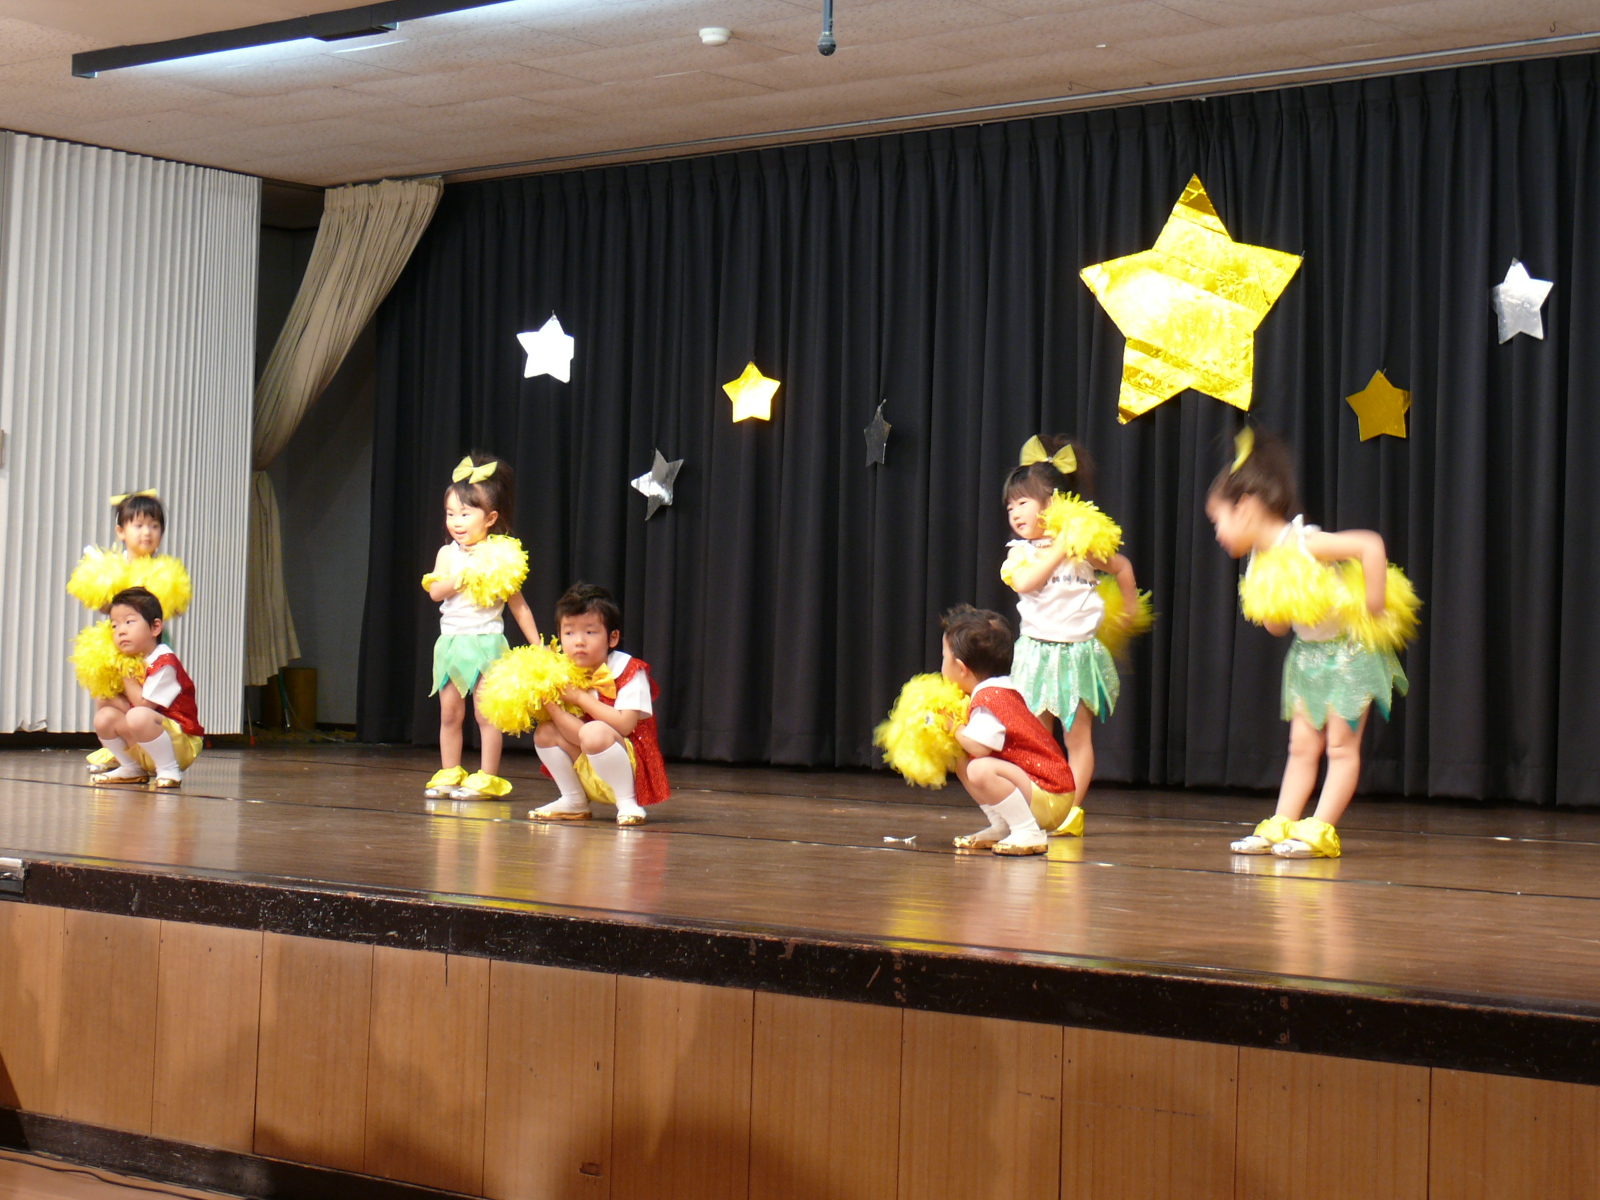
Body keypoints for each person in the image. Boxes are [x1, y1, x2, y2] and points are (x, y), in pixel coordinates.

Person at [1206, 427, 1413, 859]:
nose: (1217, 534)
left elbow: (1369, 546)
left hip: (1351, 655)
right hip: (1309, 659)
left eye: (1217, 521)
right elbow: (1279, 629)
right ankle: (1281, 823)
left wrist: (1374, 605)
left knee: (1340, 746)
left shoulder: (1303, 543)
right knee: (1301, 747)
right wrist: (1272, 607)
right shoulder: (1258, 563)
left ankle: (1319, 829)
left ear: (1244, 508)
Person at [1000, 436, 1139, 832]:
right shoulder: (1021, 553)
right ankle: (1043, 805)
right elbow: (1025, 583)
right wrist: (1061, 549)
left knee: (1077, 739)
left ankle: (1068, 812)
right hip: (1037, 655)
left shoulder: (1083, 550)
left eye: (1022, 502)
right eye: (1010, 506)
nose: (1014, 512)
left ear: (1054, 503)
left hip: (1077, 656)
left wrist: (1129, 607)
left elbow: (1123, 567)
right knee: (1038, 740)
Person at [421, 454, 541, 800]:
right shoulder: (448, 555)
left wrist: (537, 645)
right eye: (450, 514)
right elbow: (435, 591)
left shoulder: (501, 555)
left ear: (490, 518)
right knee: (450, 713)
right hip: (452, 643)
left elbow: (519, 606)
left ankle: (487, 777)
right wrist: (462, 576)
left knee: (486, 714)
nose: (456, 522)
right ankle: (449, 772)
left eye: (465, 514)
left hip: (487, 644)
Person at [68, 490, 192, 775]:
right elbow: (103, 606)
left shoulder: (164, 571)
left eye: (154, 526)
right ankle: (123, 753)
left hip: (148, 647)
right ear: (121, 532)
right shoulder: (114, 567)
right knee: (105, 698)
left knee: (144, 700)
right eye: (139, 525)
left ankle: (154, 753)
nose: (147, 532)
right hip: (117, 644)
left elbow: (174, 607)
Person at [941, 604, 1076, 856]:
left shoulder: (989, 697)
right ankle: (1004, 825)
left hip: (1051, 795)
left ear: (961, 668)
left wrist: (954, 727)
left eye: (943, 658)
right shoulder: (1001, 689)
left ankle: (1027, 830)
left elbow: (979, 747)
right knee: (961, 761)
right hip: (1044, 793)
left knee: (979, 767)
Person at [531, 583, 669, 826]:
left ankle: (627, 803)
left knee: (594, 732)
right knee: (545, 732)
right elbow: (577, 734)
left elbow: (625, 725)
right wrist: (551, 704)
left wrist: (579, 698)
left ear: (612, 637)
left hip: (629, 765)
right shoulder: (562, 672)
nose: (579, 642)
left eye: (590, 632)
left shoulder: (628, 669)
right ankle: (574, 799)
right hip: (589, 756)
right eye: (569, 633)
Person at [91, 587, 204, 789]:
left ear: (155, 627)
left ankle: (169, 769)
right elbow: (118, 708)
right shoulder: (130, 660)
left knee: (139, 715)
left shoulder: (164, 662)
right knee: (104, 717)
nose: (121, 631)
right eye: (114, 625)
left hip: (180, 744)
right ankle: (131, 767)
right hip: (146, 743)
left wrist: (125, 676)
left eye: (129, 622)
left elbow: (144, 706)